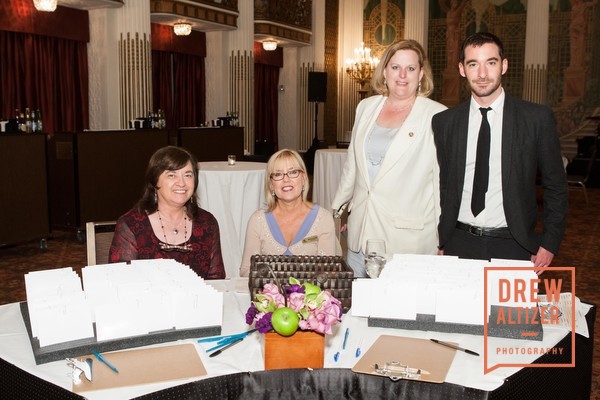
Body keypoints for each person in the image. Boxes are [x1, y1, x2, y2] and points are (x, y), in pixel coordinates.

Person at [432, 32, 568, 268]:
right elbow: (447, 185)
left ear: (504, 65)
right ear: (462, 69)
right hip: (458, 243)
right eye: (473, 64)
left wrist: (549, 243)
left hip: (514, 245)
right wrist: (444, 239)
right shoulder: (445, 123)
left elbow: (555, 186)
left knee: (512, 308)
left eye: (491, 63)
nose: (482, 74)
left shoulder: (536, 119)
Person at [331, 39, 447, 277]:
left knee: (398, 311)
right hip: (361, 233)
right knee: (358, 308)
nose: (402, 75)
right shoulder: (366, 106)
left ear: (421, 74)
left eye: (411, 68)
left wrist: (442, 237)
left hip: (407, 239)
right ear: (384, 71)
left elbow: (440, 183)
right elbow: (352, 166)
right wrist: (337, 211)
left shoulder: (437, 115)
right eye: (395, 67)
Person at [109, 146, 225, 279]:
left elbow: (217, 278)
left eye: (188, 175)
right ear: (155, 181)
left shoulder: (207, 223)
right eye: (171, 175)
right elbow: (120, 281)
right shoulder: (132, 224)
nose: (181, 183)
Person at [240, 149, 339, 277]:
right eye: (278, 174)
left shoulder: (323, 219)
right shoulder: (257, 220)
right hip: (266, 296)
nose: (286, 179)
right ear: (271, 184)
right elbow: (246, 271)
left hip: (311, 295)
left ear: (303, 178)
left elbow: (328, 272)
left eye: (293, 172)